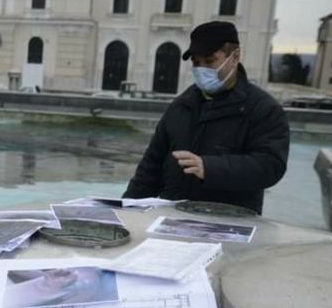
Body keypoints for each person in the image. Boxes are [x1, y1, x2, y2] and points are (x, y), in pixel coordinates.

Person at [122, 21, 289, 214]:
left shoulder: (263, 109)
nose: (201, 69)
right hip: (173, 218)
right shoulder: (181, 106)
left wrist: (210, 168)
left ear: (235, 57)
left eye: (210, 61)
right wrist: (126, 210)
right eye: (196, 62)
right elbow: (151, 168)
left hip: (230, 220)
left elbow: (270, 166)